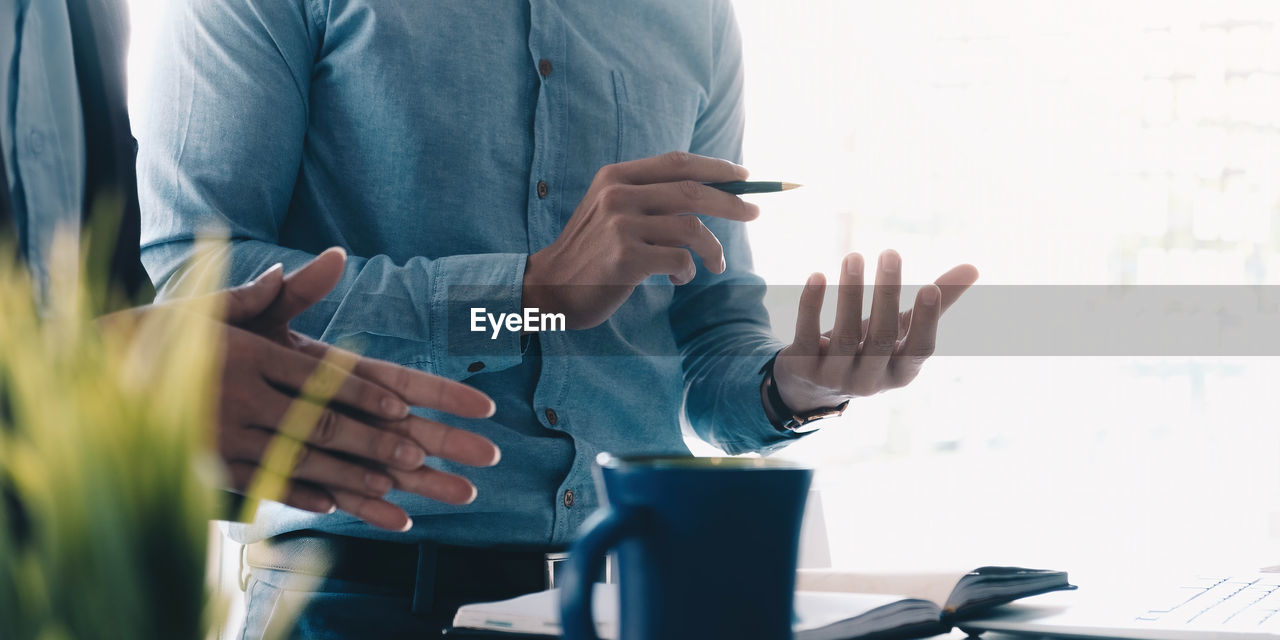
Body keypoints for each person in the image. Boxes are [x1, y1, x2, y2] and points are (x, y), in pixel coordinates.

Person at [136, 0, 980, 636]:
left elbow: (709, 342)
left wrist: (794, 386)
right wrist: (526, 296)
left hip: (630, 595)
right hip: (357, 598)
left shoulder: (697, 19)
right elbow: (199, 280)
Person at [0, 0, 500, 533]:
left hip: (73, 560)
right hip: (355, 577)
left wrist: (110, 382)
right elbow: (200, 271)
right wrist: (523, 305)